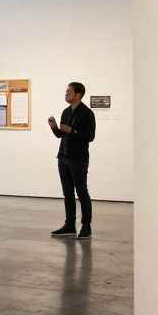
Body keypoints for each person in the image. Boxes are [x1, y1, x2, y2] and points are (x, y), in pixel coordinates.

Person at [48, 82, 97, 240]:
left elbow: (90, 137)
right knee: (67, 192)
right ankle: (70, 225)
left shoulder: (87, 113)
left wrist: (73, 130)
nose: (66, 93)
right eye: (66, 91)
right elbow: (61, 135)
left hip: (78, 159)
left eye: (69, 91)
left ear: (78, 95)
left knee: (82, 191)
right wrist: (55, 127)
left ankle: (86, 226)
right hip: (63, 157)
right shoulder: (66, 112)